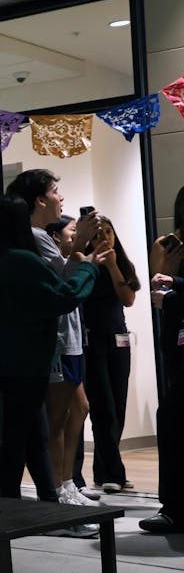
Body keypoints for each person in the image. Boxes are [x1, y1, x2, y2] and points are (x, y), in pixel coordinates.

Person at [0, 196, 104, 514]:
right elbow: (64, 296)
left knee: (28, 433)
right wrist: (87, 269)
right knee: (22, 437)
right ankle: (18, 506)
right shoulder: (21, 260)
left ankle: (45, 505)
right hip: (28, 360)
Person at [6, 170, 104, 514]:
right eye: (55, 191)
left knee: (77, 408)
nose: (61, 197)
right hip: (56, 341)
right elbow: (59, 283)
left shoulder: (38, 236)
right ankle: (59, 487)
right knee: (58, 416)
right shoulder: (34, 237)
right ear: (39, 200)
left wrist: (84, 255)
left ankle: (66, 482)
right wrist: (81, 254)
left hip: (69, 339)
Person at [82, 216, 140, 495]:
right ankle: (114, 472)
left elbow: (128, 299)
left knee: (117, 406)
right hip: (93, 341)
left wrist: (113, 265)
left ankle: (103, 470)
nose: (104, 238)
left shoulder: (122, 263)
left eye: (108, 232)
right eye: (98, 234)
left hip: (119, 339)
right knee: (102, 408)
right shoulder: (85, 264)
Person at [140, 185, 184, 533]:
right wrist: (168, 268)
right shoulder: (168, 245)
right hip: (177, 342)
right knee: (171, 419)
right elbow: (158, 290)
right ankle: (173, 507)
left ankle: (173, 508)